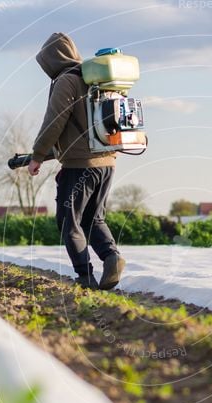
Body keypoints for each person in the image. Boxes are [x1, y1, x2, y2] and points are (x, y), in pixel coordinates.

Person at [27, 32, 125, 290]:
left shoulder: (66, 81)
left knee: (69, 221)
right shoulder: (94, 79)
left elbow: (54, 122)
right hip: (107, 162)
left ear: (53, 59)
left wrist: (37, 155)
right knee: (94, 219)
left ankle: (84, 277)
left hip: (80, 165)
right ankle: (112, 256)